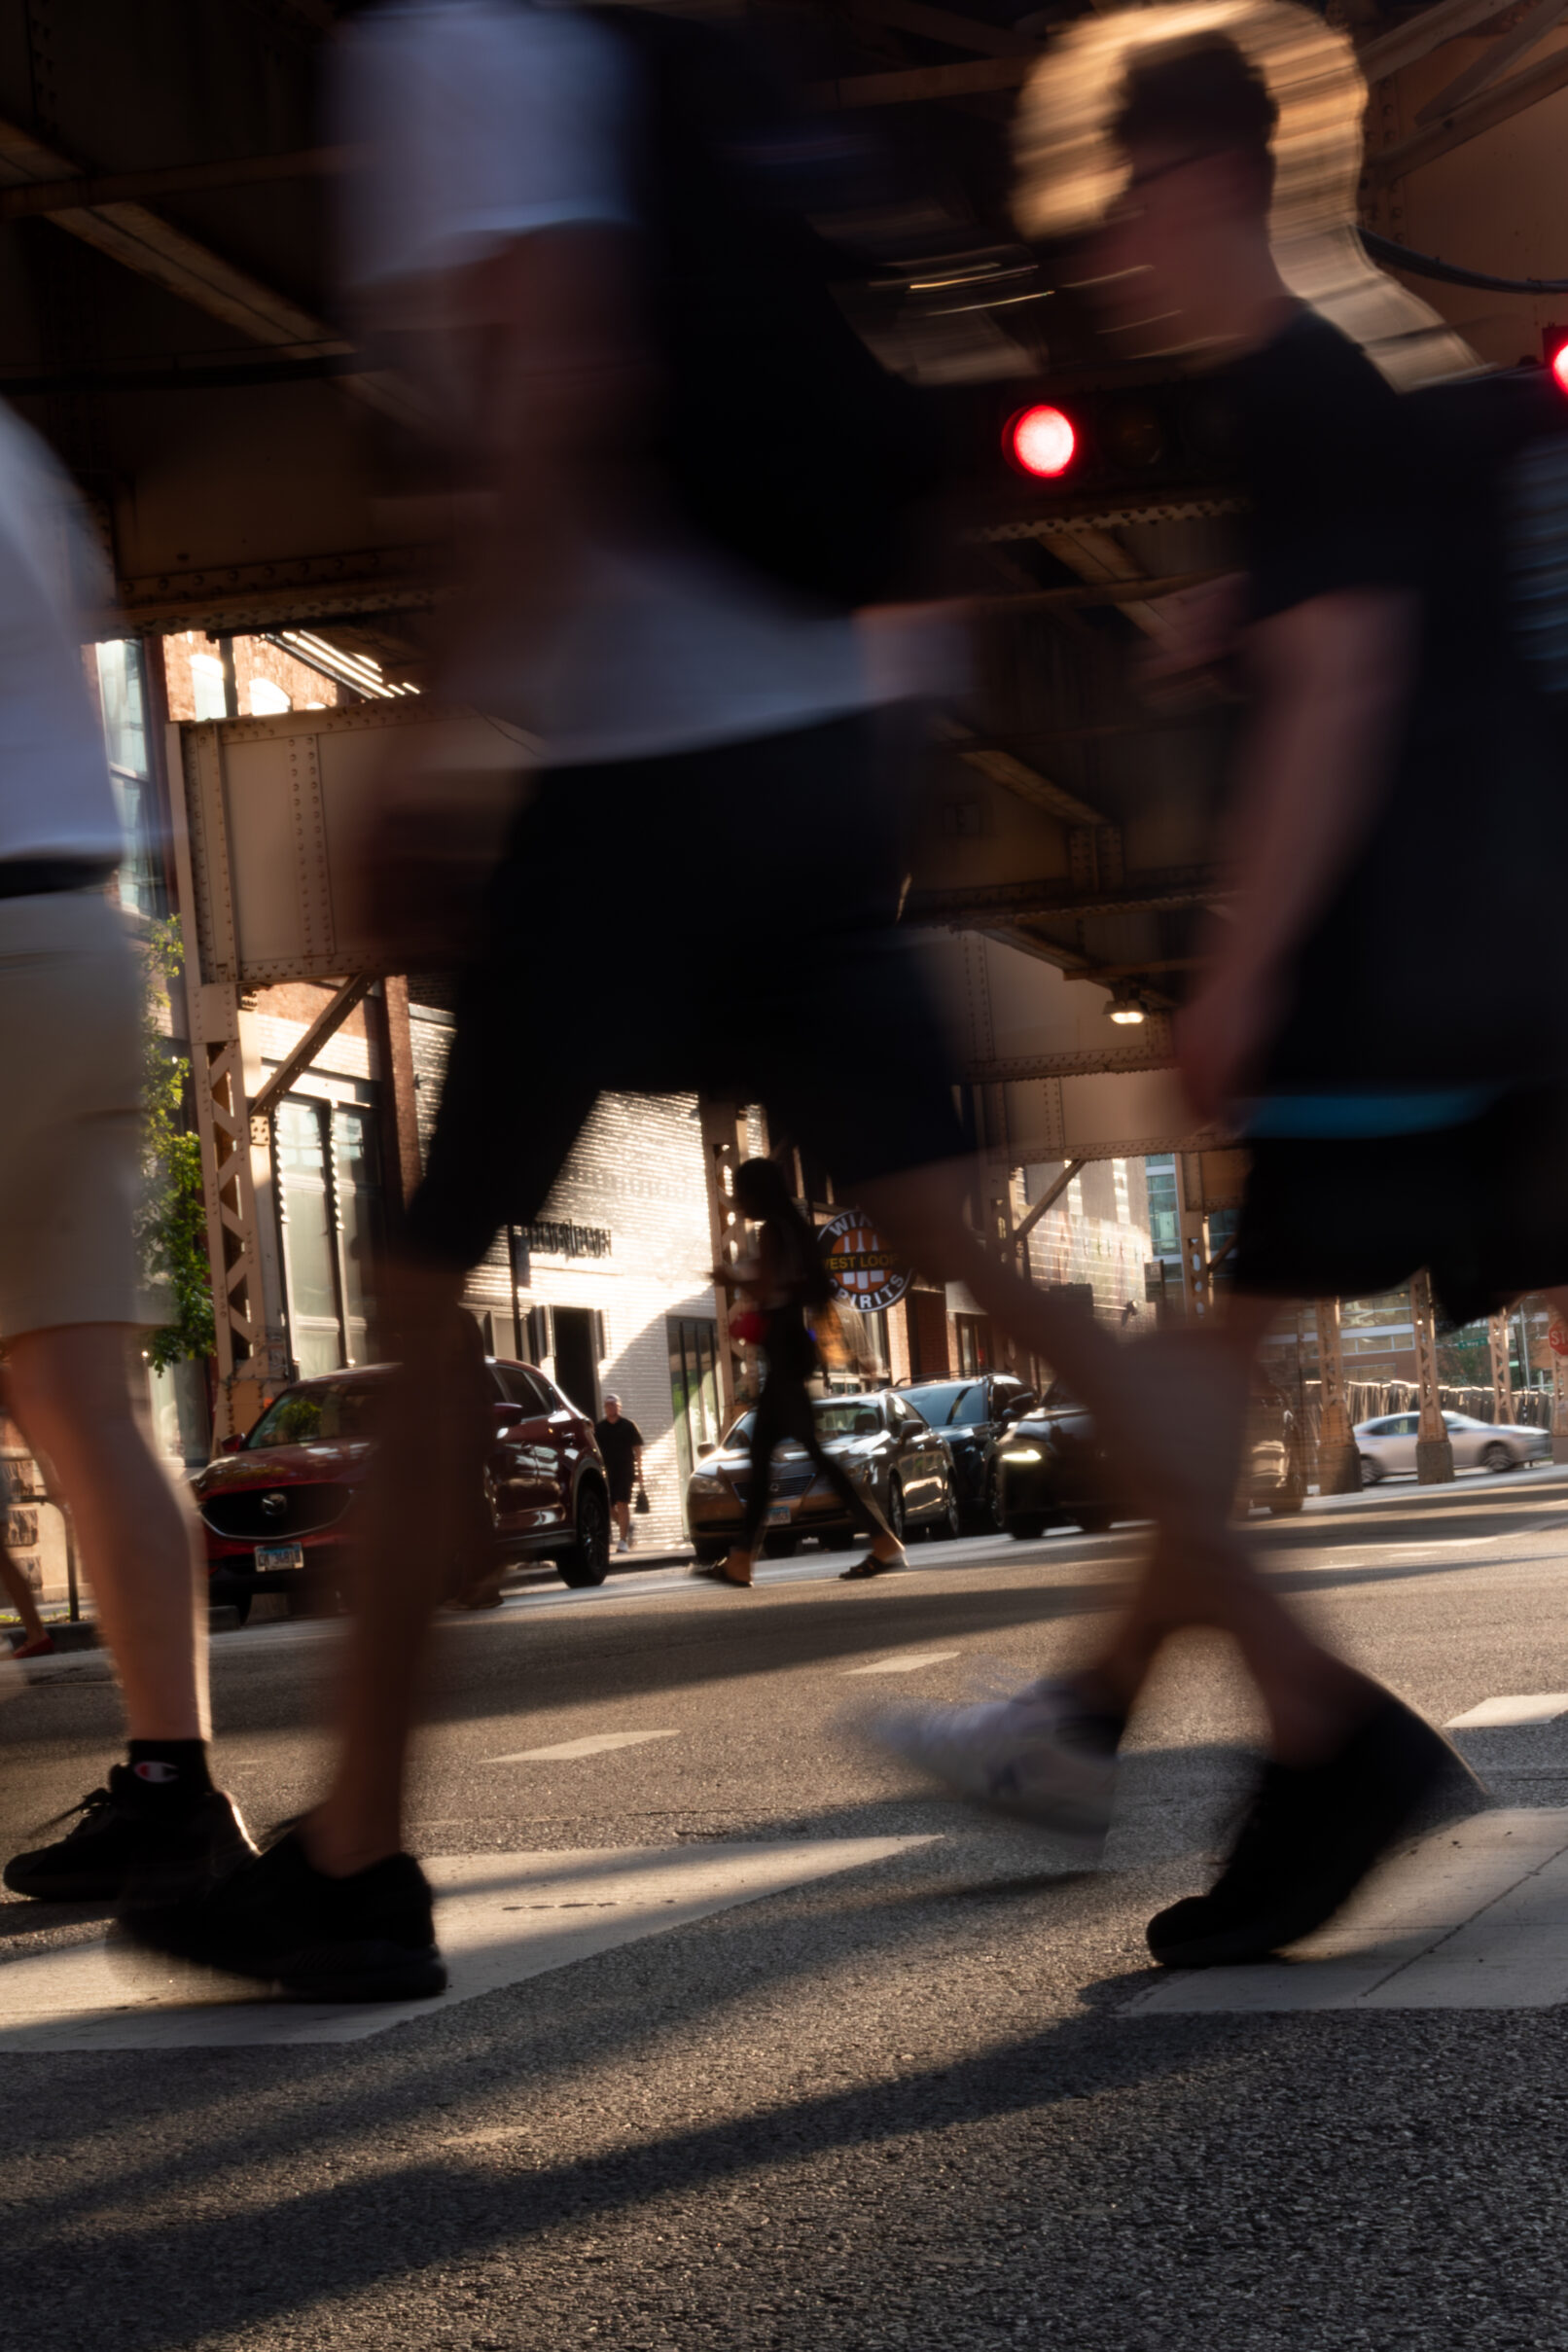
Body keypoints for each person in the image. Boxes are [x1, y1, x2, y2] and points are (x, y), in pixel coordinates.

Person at [118, 0, 1265, 2001]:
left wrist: (440, 728)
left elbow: (554, 370)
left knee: (412, 1280)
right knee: (970, 1257)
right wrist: (882, 739)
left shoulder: (458, 41)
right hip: (810, 737)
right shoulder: (651, 57)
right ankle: (1322, 1718)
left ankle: (360, 1859)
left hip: (636, 766)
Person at [876, 31, 1568, 1967]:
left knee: (1206, 1362)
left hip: (1382, 967)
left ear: (1191, 185)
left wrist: (1238, 968)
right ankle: (1145, 1728)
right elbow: (1374, 603)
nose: (1102, 251)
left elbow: (1352, 681)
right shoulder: (1332, 372)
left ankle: (1226, 1740)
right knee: (1210, 1360)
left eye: (1115, 202)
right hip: (1449, 954)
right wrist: (1237, 612)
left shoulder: (1289, 385)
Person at [0, 408, 254, 1905]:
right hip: (86, 942)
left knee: (75, 1398)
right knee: (81, 1398)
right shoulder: (21, 453)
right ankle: (174, 1784)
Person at [710, 1158, 902, 1589]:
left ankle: (881, 1541)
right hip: (793, 1352)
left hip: (785, 1355)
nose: (737, 1201)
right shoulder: (794, 1229)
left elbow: (767, 1288)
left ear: (758, 1192)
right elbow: (805, 1290)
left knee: (793, 1457)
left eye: (741, 1192)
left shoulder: (773, 1230)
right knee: (775, 1457)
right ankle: (743, 1557)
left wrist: (730, 1276)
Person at [594, 1395, 645, 1555]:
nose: (610, 1408)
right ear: (605, 1408)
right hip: (608, 1472)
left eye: (613, 1405)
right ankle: (627, 1527)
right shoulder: (599, 1428)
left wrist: (639, 1471)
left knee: (622, 1504)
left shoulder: (629, 1426)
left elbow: (637, 1450)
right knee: (608, 1506)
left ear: (619, 1407)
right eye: (608, 1405)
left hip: (625, 1470)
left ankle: (622, 1541)